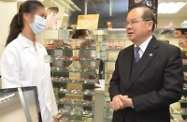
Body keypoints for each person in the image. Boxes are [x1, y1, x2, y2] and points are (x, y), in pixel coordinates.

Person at [109, 6, 183, 122]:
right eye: (127, 23)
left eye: (133, 22)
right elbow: (114, 82)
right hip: (121, 118)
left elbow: (172, 92)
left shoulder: (169, 52)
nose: (128, 26)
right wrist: (115, 96)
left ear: (149, 25)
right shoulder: (123, 54)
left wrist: (133, 102)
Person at [0, 1, 58, 122]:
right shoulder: (12, 51)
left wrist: (52, 113)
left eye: (45, 17)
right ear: (27, 16)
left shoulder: (42, 50)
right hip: (26, 117)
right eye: (41, 16)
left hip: (45, 114)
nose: (44, 20)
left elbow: (47, 83)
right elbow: (12, 94)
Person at [174, 28, 187, 120]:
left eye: (177, 33)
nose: (175, 36)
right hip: (183, 85)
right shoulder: (179, 51)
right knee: (183, 110)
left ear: (185, 35)